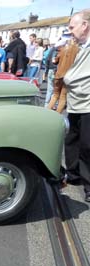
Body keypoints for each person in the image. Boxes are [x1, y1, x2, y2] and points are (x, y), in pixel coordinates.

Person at [63, 9, 90, 202]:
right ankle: (73, 175)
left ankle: (89, 185)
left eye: (72, 27)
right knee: (71, 140)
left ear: (85, 25)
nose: (70, 31)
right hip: (75, 103)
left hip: (88, 104)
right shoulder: (81, 46)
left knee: (87, 146)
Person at [47, 38, 79, 113]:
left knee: (55, 95)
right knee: (63, 97)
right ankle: (57, 115)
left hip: (58, 75)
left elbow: (55, 61)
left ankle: (47, 112)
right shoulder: (78, 50)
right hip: (68, 76)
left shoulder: (63, 50)